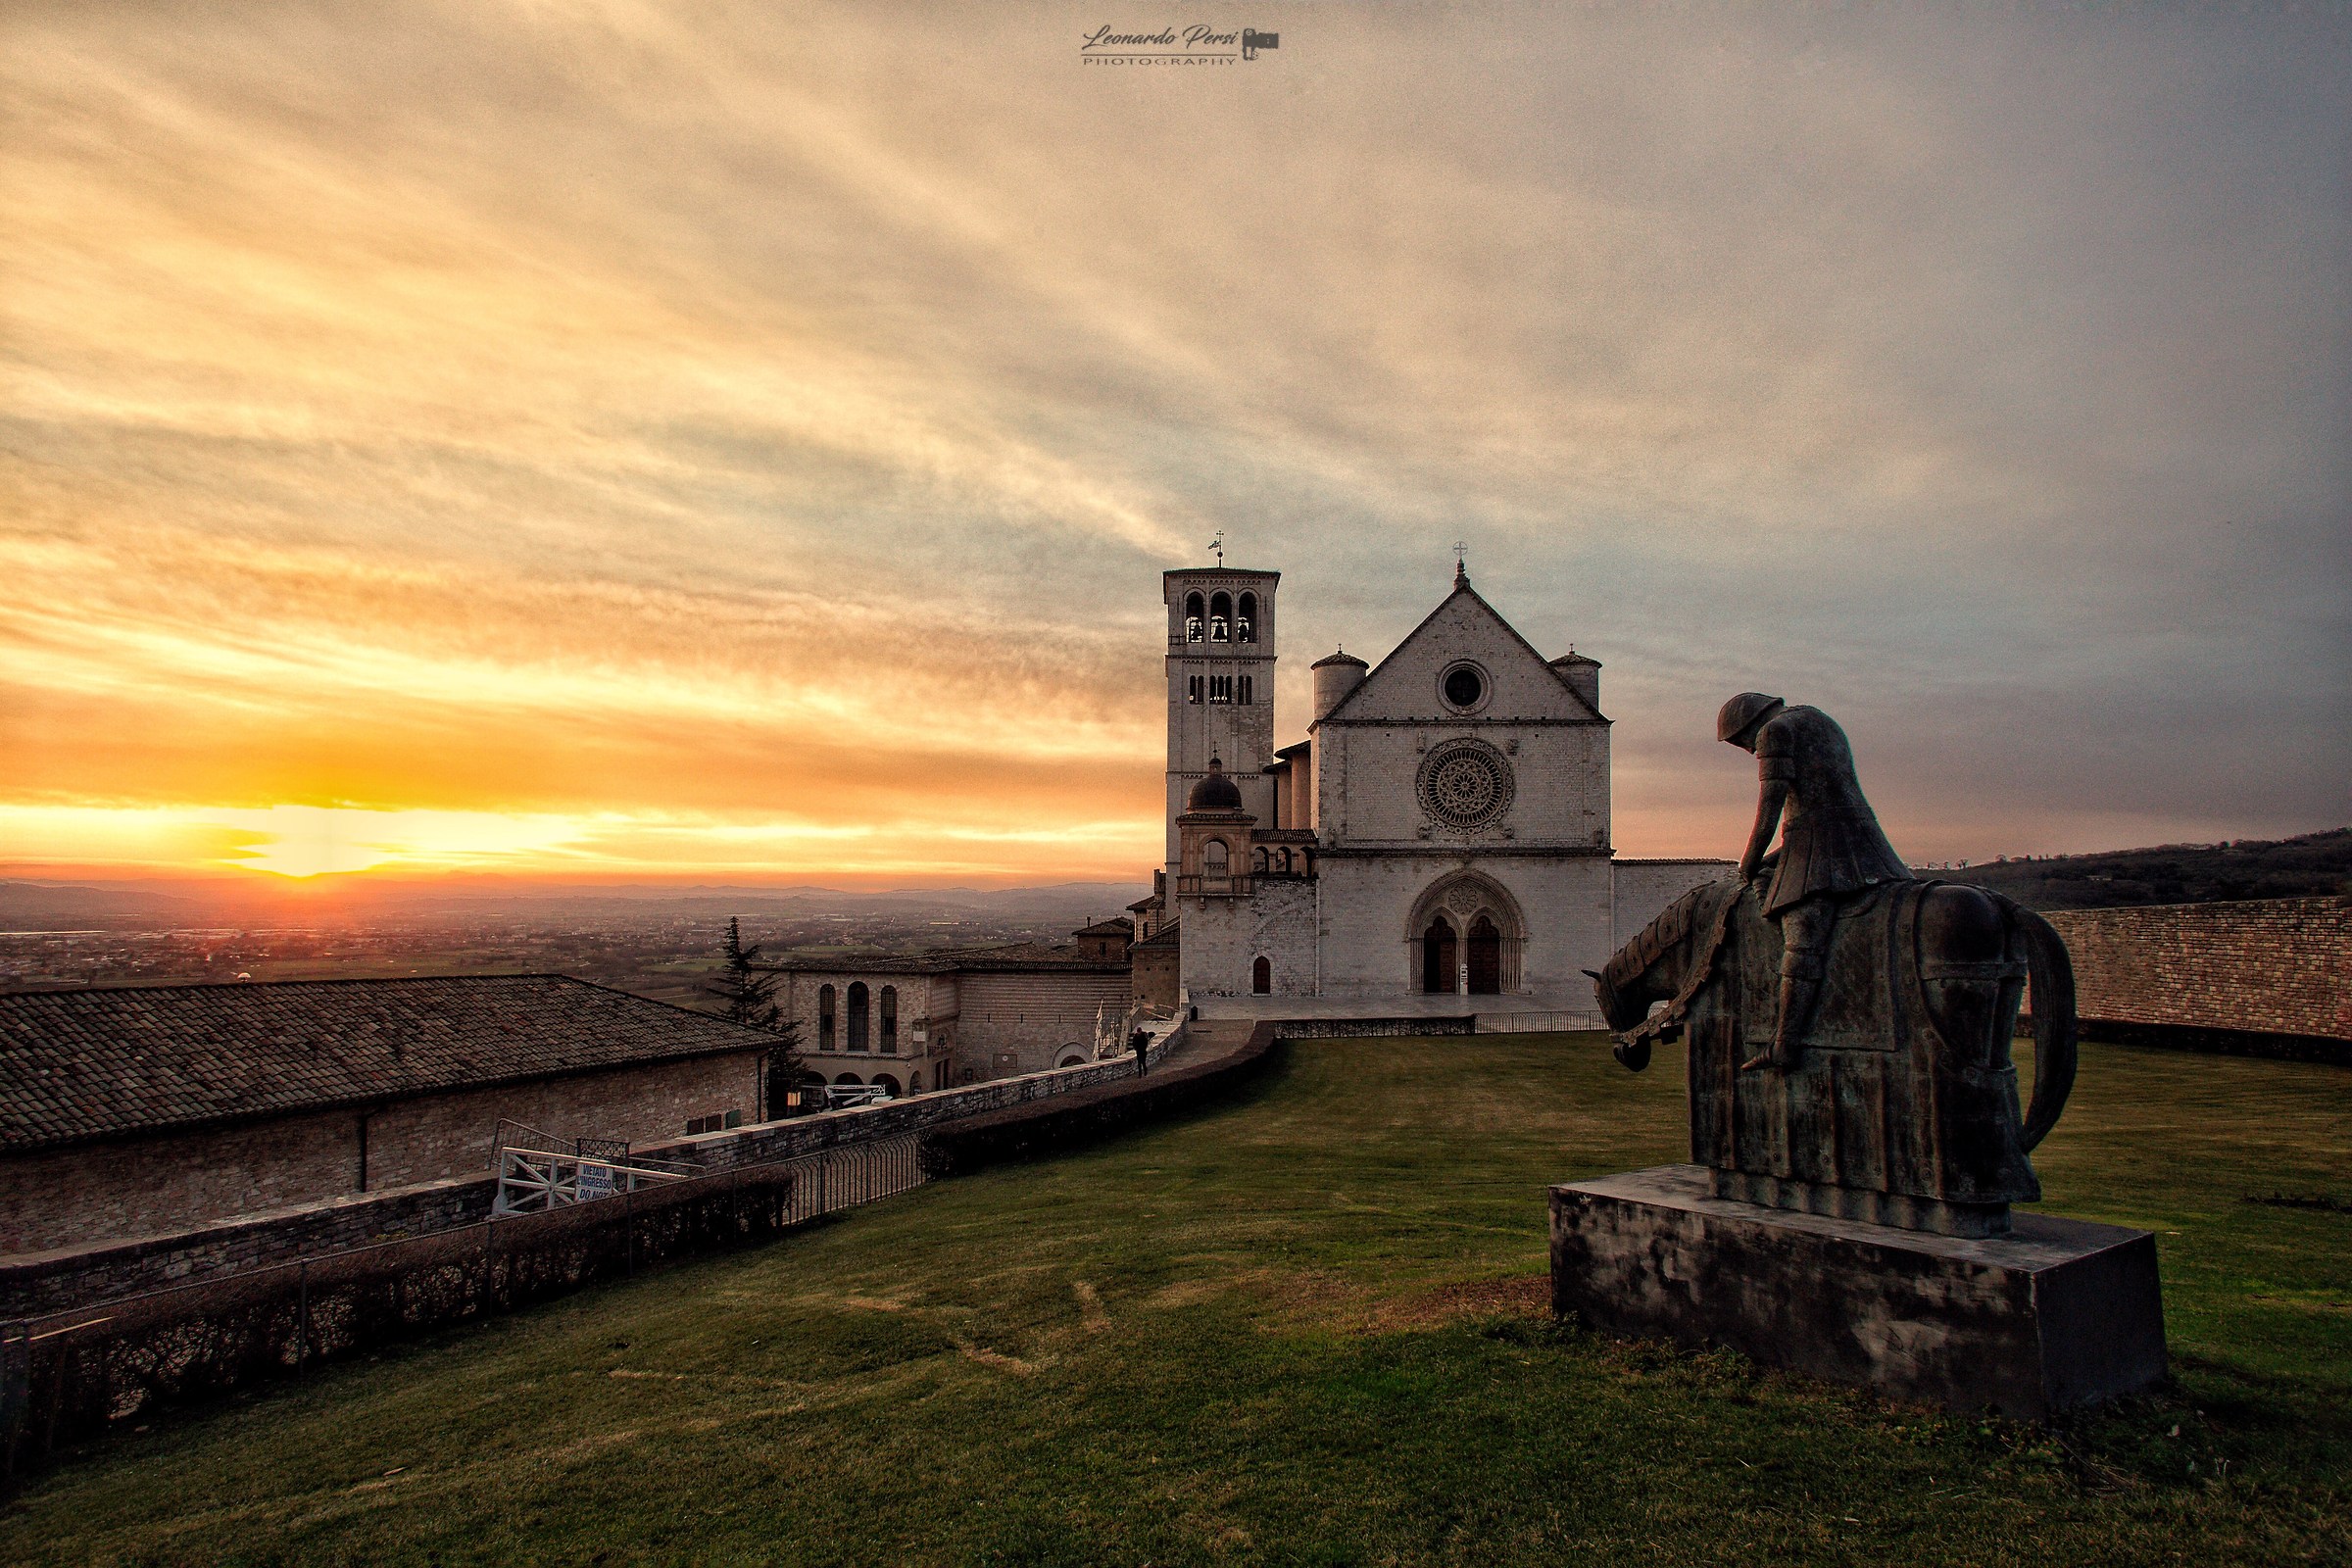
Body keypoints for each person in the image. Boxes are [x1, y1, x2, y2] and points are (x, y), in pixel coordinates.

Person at [1717, 693, 1914, 1073]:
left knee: (1802, 937)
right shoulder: (1817, 718)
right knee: (1768, 881)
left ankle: (1785, 1044)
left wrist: (1749, 860)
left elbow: (1769, 809)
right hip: (1852, 835)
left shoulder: (1775, 732)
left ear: (1747, 727)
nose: (1747, 750)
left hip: (1825, 845)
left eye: (1741, 743)